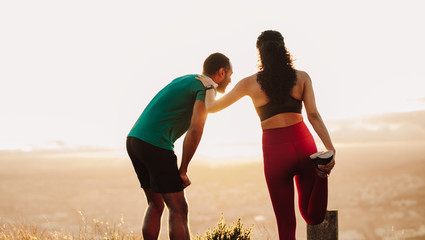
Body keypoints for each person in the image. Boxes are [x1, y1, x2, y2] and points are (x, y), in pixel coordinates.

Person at [196, 30, 336, 240]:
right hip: (304, 145)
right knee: (313, 217)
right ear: (284, 49)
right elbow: (313, 115)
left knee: (286, 225)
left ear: (260, 54)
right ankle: (321, 174)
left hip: (275, 152)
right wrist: (330, 148)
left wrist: (209, 84)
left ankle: (320, 175)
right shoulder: (302, 77)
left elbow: (212, 107)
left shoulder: (248, 83)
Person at [126, 52, 233, 240]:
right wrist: (183, 170)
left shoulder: (186, 79)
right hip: (155, 144)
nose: (231, 81)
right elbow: (195, 129)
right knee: (179, 208)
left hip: (135, 140)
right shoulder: (207, 88)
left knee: (155, 203)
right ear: (221, 72)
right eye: (230, 75)